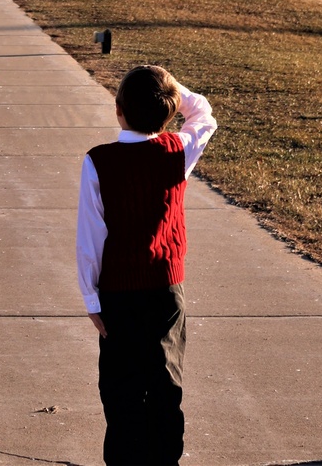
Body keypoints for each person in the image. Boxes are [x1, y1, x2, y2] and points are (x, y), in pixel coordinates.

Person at [76, 64, 217, 466]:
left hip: (117, 293)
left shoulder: (98, 162)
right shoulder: (177, 150)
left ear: (118, 109)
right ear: (170, 112)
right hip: (165, 291)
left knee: (121, 387)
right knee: (165, 382)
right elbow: (203, 113)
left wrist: (91, 298)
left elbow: (90, 237)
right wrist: (173, 86)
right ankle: (164, 459)